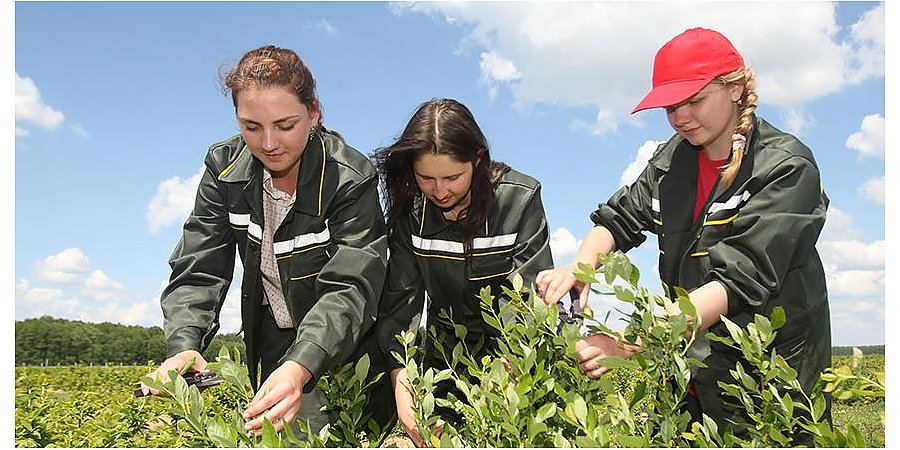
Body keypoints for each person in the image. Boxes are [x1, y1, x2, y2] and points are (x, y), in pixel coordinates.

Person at [536, 28, 831, 440]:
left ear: (734, 89)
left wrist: (628, 343)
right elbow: (617, 220)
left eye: (694, 101)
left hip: (769, 371)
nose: (681, 118)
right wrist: (580, 269)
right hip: (689, 364)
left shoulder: (785, 167)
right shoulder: (671, 161)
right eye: (671, 107)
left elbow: (737, 281)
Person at [139, 45, 389, 436]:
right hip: (274, 344)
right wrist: (185, 344)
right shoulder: (224, 169)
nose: (269, 143)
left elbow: (351, 287)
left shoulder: (350, 178)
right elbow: (200, 264)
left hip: (343, 347)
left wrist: (302, 363)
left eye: (285, 125)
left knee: (345, 433)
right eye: (251, 127)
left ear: (314, 113)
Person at [373, 98, 554, 446]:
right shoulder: (412, 211)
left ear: (478, 160)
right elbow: (399, 310)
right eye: (426, 178)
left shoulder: (518, 200)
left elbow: (528, 306)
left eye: (453, 177)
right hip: (444, 361)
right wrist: (406, 398)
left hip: (514, 363)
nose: (440, 191)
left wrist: (496, 389)